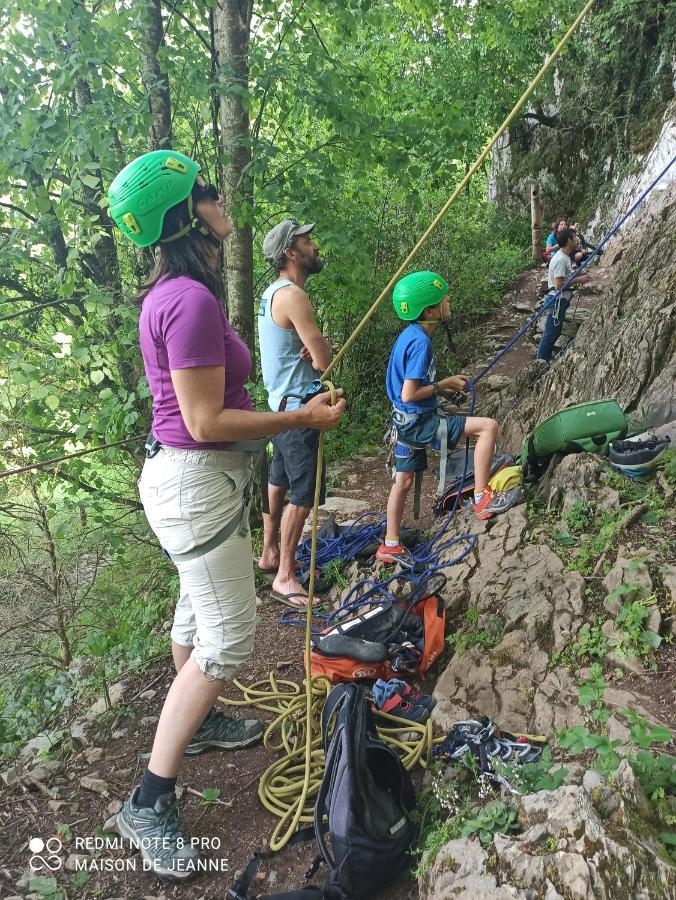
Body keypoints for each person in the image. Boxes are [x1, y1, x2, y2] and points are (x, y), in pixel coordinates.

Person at [106, 150, 345, 879]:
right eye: (206, 192)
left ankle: (201, 722)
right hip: (195, 478)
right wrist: (299, 416)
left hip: (189, 481)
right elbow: (207, 420)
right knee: (230, 638)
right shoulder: (192, 300)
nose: (220, 198)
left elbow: (197, 412)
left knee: (195, 608)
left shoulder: (175, 295)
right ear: (187, 215)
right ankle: (149, 799)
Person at [376, 271, 512, 564]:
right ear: (429, 310)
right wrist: (444, 384)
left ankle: (390, 543)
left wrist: (443, 393)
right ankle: (481, 497)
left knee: (403, 481)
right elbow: (410, 392)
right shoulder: (422, 343)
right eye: (443, 298)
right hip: (419, 423)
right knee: (488, 427)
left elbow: (406, 394)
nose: (448, 299)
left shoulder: (409, 336)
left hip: (404, 423)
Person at [256, 219, 333, 607]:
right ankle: (285, 576)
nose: (314, 245)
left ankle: (270, 553)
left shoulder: (271, 294)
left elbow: (294, 349)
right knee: (304, 493)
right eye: (307, 241)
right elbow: (323, 361)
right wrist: (324, 347)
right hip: (300, 410)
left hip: (279, 407)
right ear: (290, 252)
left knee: (279, 481)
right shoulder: (294, 296)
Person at [536, 226, 590, 363]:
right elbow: (559, 285)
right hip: (557, 300)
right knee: (551, 333)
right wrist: (578, 279)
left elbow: (562, 278)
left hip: (558, 300)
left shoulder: (563, 257)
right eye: (574, 237)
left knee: (553, 332)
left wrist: (576, 274)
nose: (577, 239)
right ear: (568, 240)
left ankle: (542, 361)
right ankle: (540, 363)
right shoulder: (561, 259)